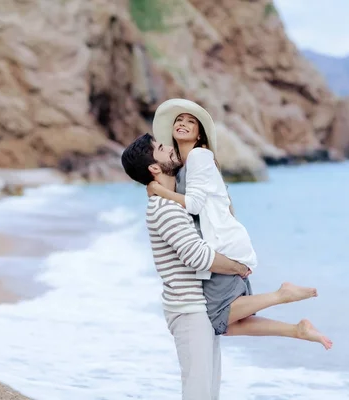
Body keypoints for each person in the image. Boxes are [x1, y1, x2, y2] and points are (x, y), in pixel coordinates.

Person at [120, 133, 331, 399]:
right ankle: (281, 297)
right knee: (198, 391)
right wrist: (238, 268)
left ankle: (287, 312)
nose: (170, 149)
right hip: (187, 310)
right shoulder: (164, 208)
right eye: (162, 149)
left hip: (199, 306)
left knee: (209, 390)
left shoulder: (175, 199)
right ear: (153, 167)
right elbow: (198, 257)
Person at [147, 99, 332, 346]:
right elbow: (224, 200)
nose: (182, 123)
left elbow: (194, 205)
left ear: (199, 134)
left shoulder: (199, 156)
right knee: (229, 323)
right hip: (224, 241)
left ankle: (282, 295)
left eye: (190, 122)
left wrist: (158, 190)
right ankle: (296, 330)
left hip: (222, 245)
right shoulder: (186, 163)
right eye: (179, 120)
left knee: (215, 318)